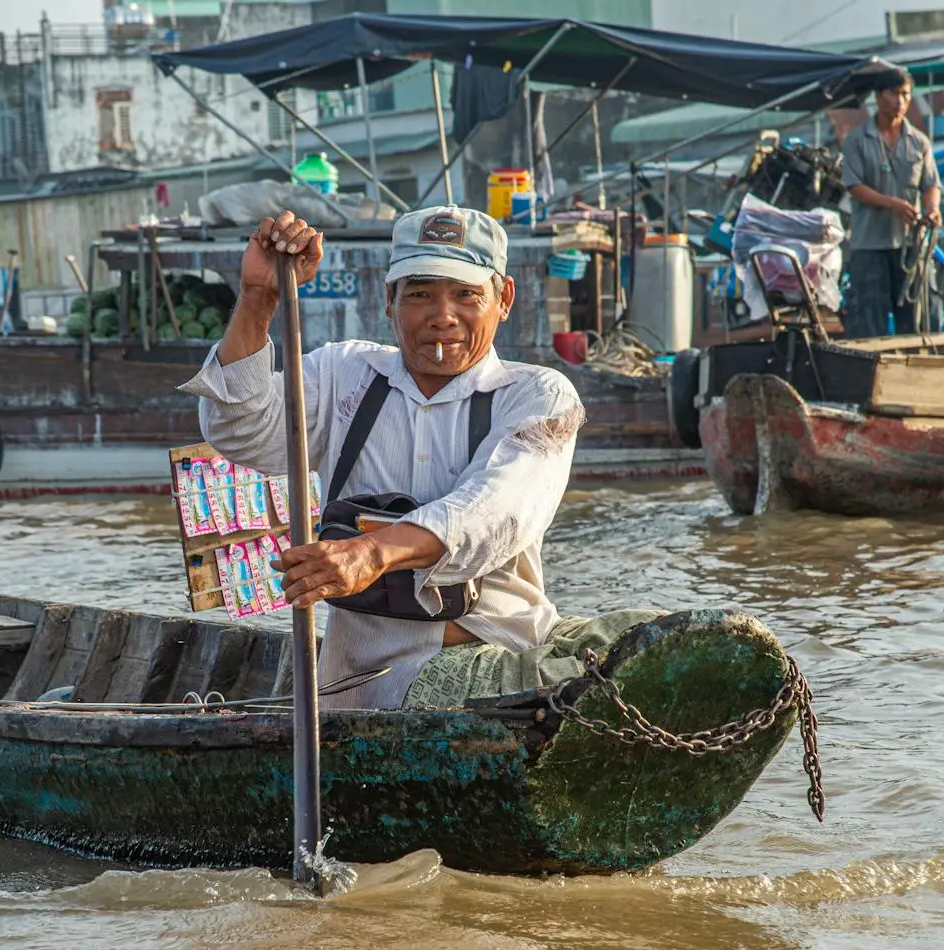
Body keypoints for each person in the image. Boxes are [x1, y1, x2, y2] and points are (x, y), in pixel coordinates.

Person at [179, 206, 659, 710]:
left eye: (466, 294)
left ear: (504, 299)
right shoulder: (345, 375)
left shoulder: (537, 395)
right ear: (390, 301)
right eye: (420, 294)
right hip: (373, 682)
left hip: (512, 653)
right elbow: (239, 430)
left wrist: (373, 553)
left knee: (659, 639)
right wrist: (260, 297)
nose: (442, 316)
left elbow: (496, 511)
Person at [841, 67, 942, 338]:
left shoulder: (919, 142)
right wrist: (892, 204)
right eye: (894, 94)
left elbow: (931, 184)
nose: (900, 101)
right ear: (878, 96)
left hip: (910, 246)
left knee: (921, 320)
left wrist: (932, 209)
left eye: (905, 94)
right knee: (868, 322)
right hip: (870, 246)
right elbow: (855, 187)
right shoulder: (857, 140)